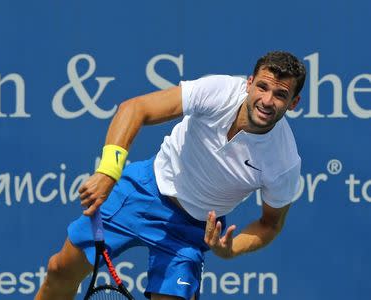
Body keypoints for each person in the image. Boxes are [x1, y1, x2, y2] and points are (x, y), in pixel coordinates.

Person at [35, 51, 306, 300]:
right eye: (262, 87)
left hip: (192, 228)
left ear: (293, 102)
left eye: (280, 94)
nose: (267, 100)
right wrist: (108, 171)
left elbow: (270, 225)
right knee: (60, 269)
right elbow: (135, 108)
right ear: (249, 83)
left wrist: (231, 248)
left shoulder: (283, 161)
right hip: (143, 190)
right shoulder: (219, 91)